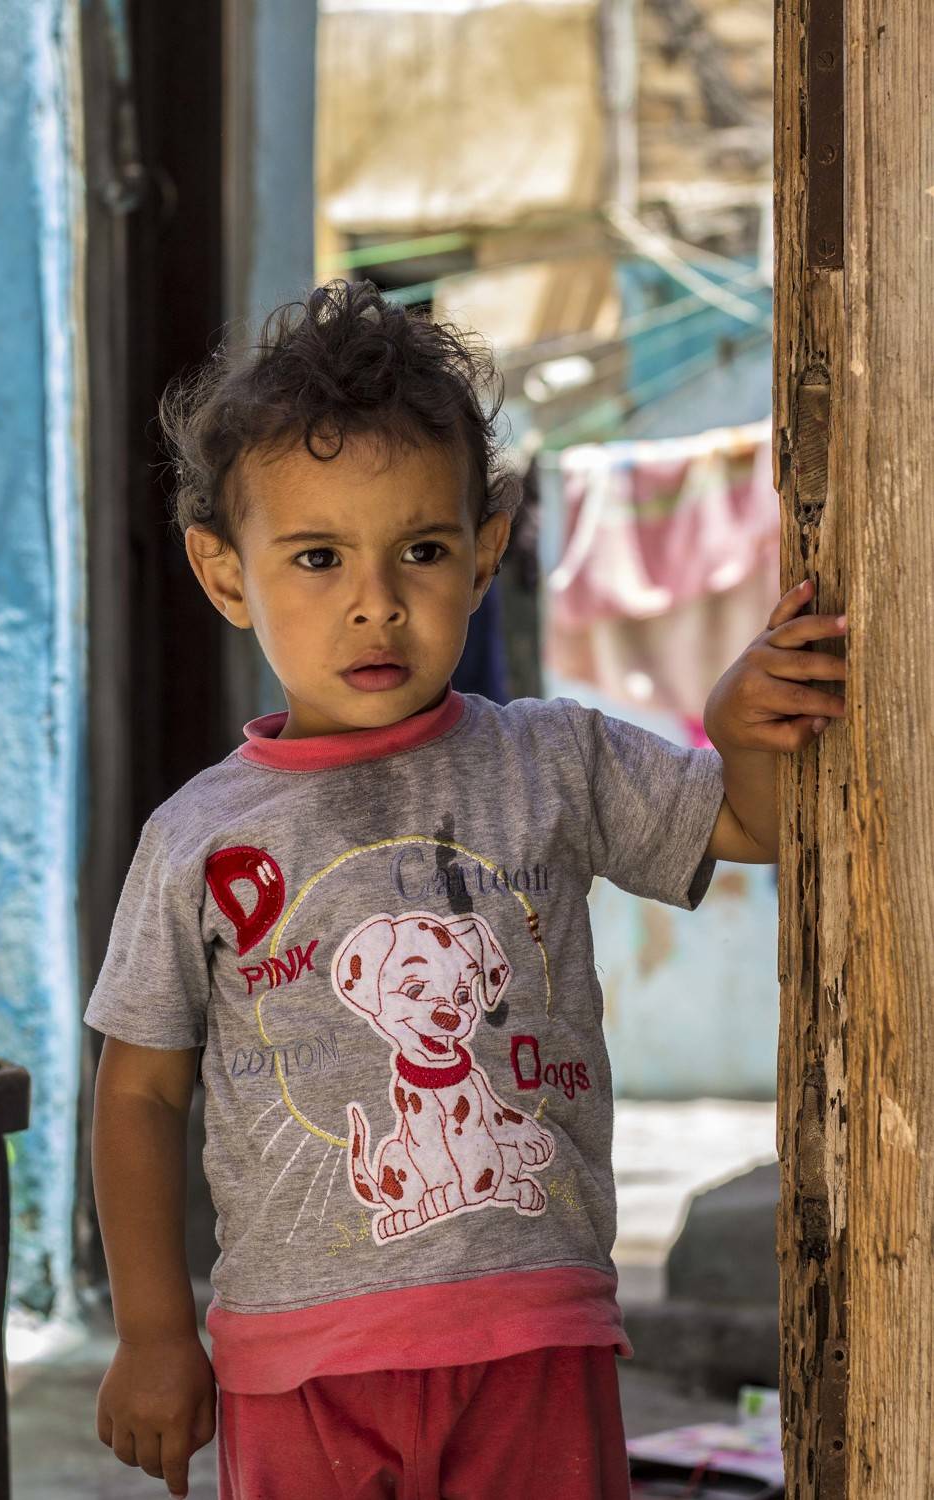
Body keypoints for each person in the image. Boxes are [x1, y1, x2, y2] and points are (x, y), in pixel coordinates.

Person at [85, 280, 847, 1499]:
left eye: (423, 551)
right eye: (318, 557)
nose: (377, 601)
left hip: (533, 1338)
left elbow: (750, 821)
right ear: (226, 576)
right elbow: (139, 1090)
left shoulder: (554, 760)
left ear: (486, 552)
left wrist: (738, 723)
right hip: (300, 1363)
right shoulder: (197, 840)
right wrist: (154, 1331)